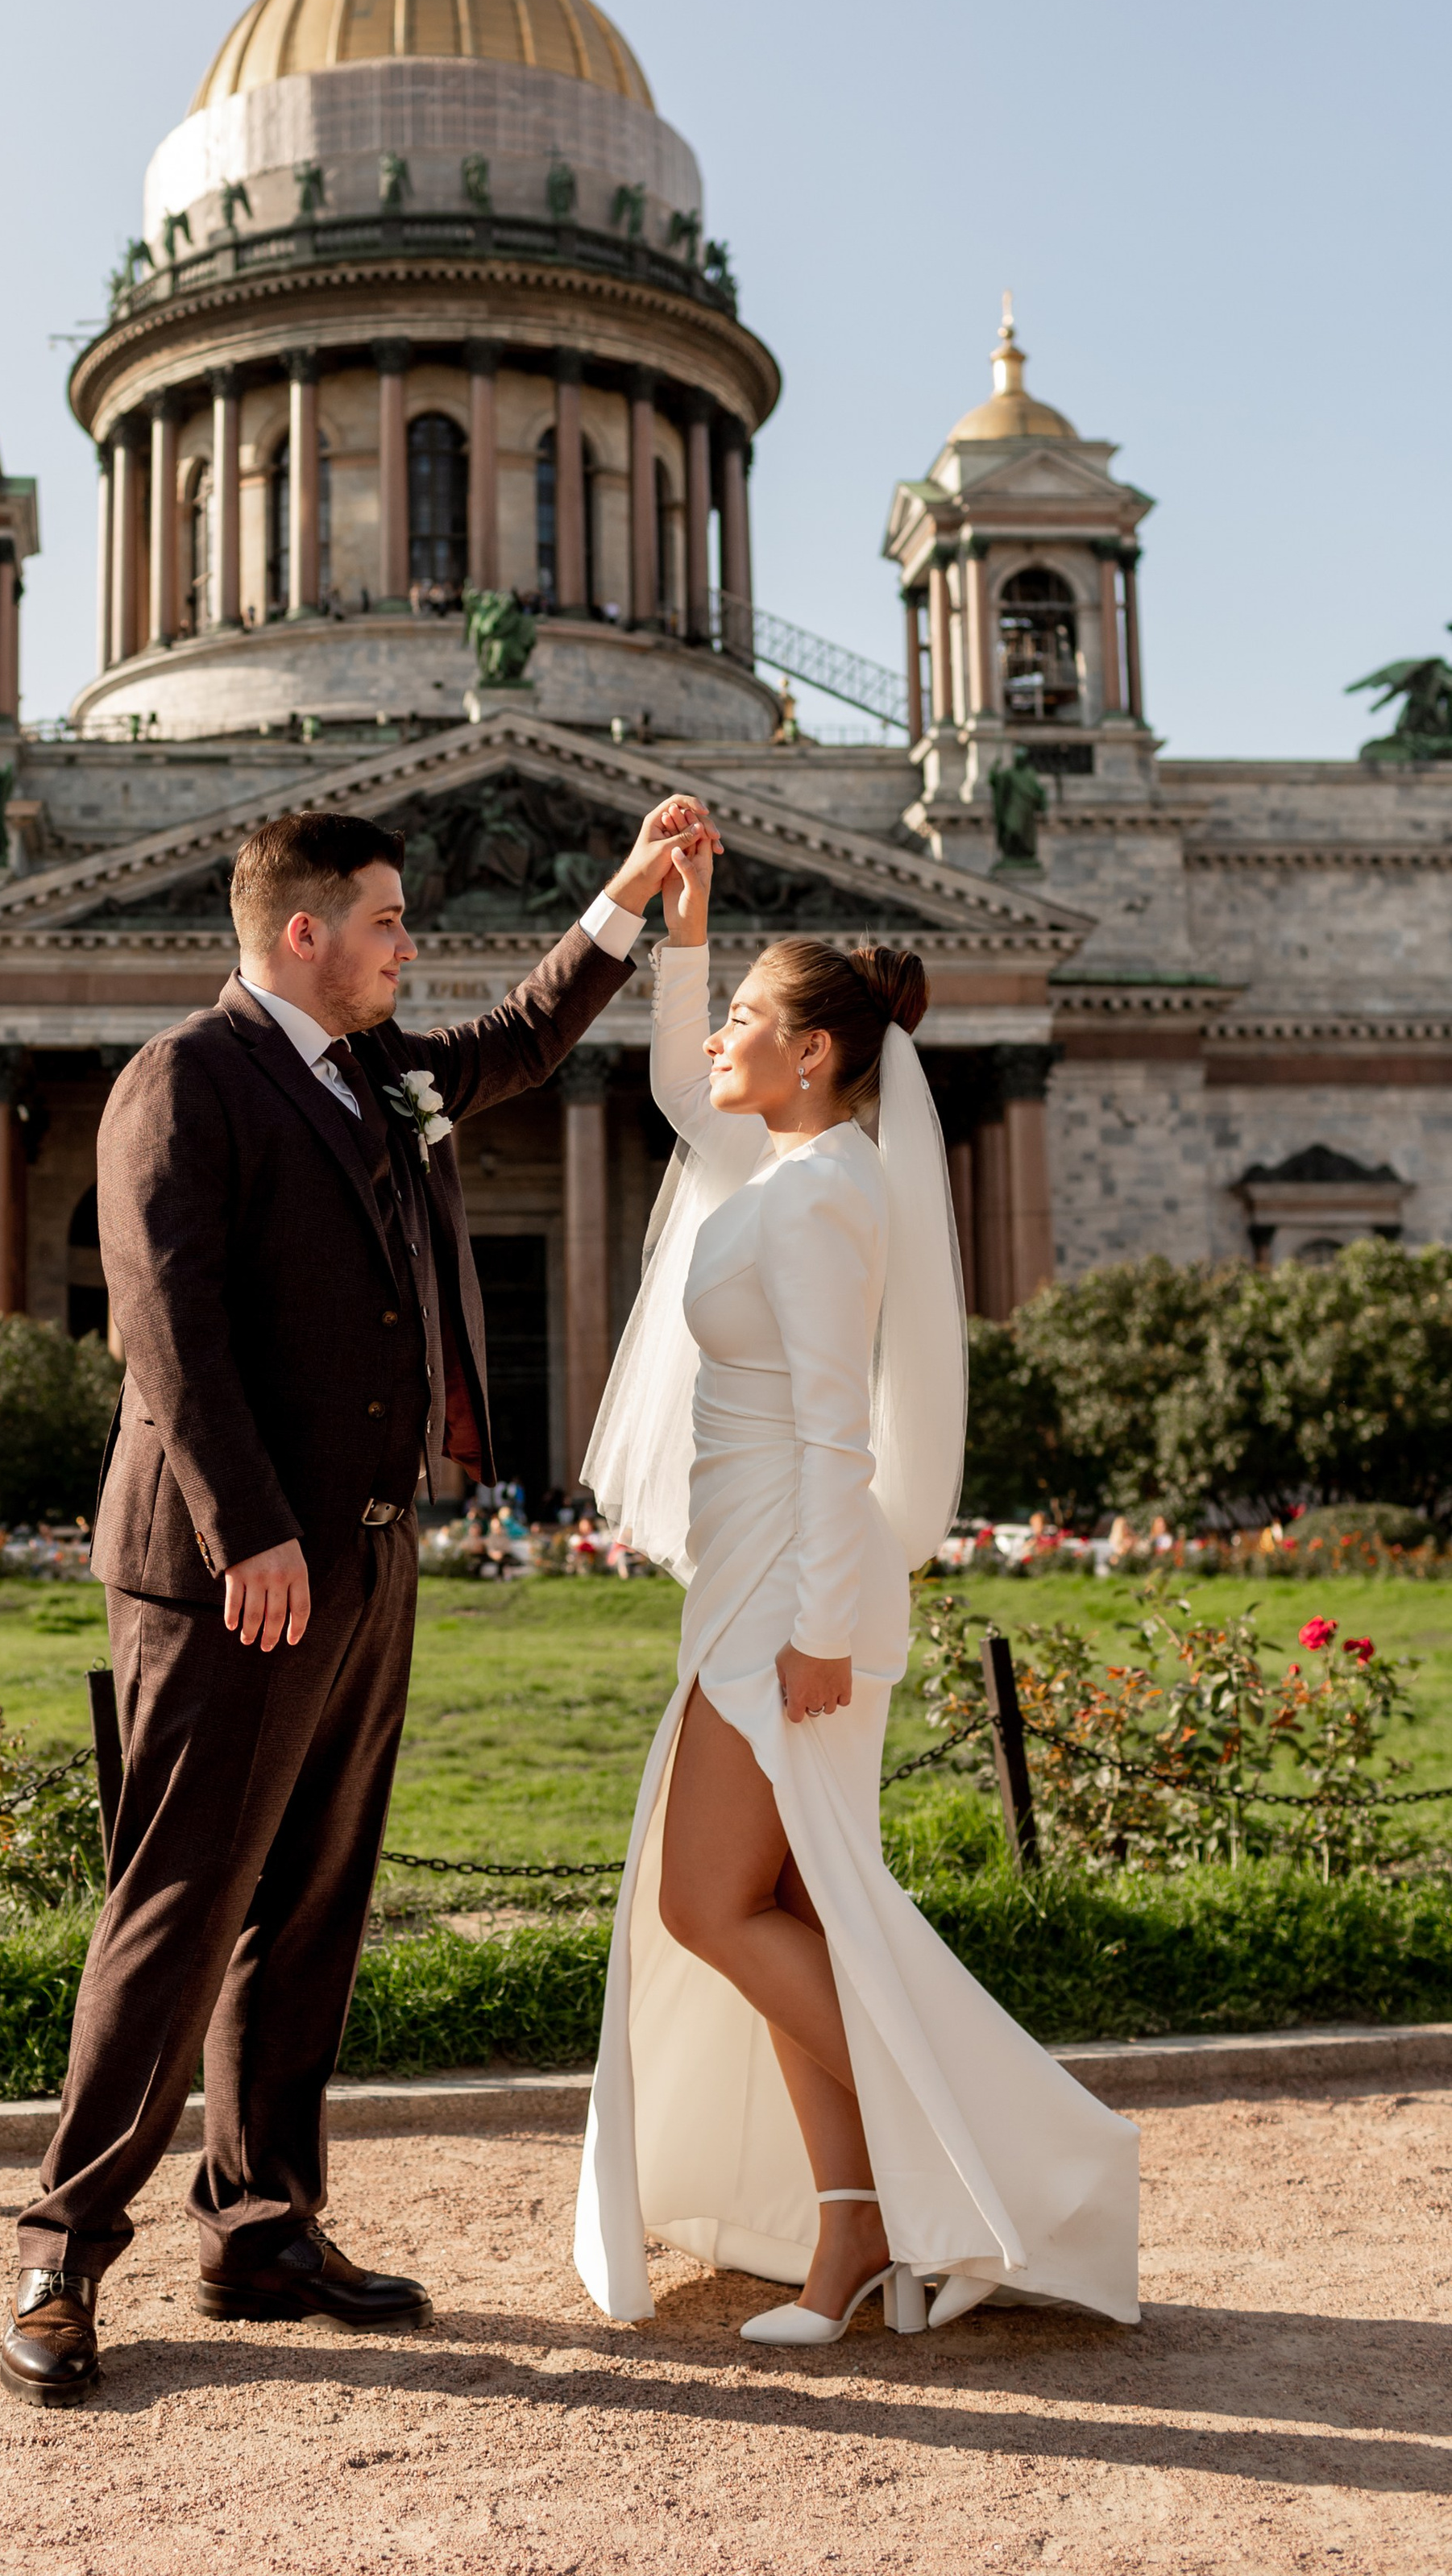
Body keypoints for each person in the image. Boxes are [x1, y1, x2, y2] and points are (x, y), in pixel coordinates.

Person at [0, 792, 719, 2406]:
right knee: (179, 1903)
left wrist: (622, 890)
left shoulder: (379, 1073)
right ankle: (60, 2245)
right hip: (230, 1572)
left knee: (310, 1904)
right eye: (389, 918)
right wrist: (249, 1529)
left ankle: (259, 2220)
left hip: (368, 1557)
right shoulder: (185, 1077)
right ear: (301, 931)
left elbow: (533, 1032)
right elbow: (164, 1321)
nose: (413, 943)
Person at [574, 831, 1139, 2346]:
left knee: (709, 1904)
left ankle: (961, 2161)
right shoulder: (784, 1168)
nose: (719, 1037)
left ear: (813, 1055)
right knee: (776, 1905)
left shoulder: (823, 1201)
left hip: (788, 1593)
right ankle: (855, 2238)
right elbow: (678, 1094)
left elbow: (839, 1428)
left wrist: (821, 1631)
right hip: (752, 1572)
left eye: (747, 1013)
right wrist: (676, 928)